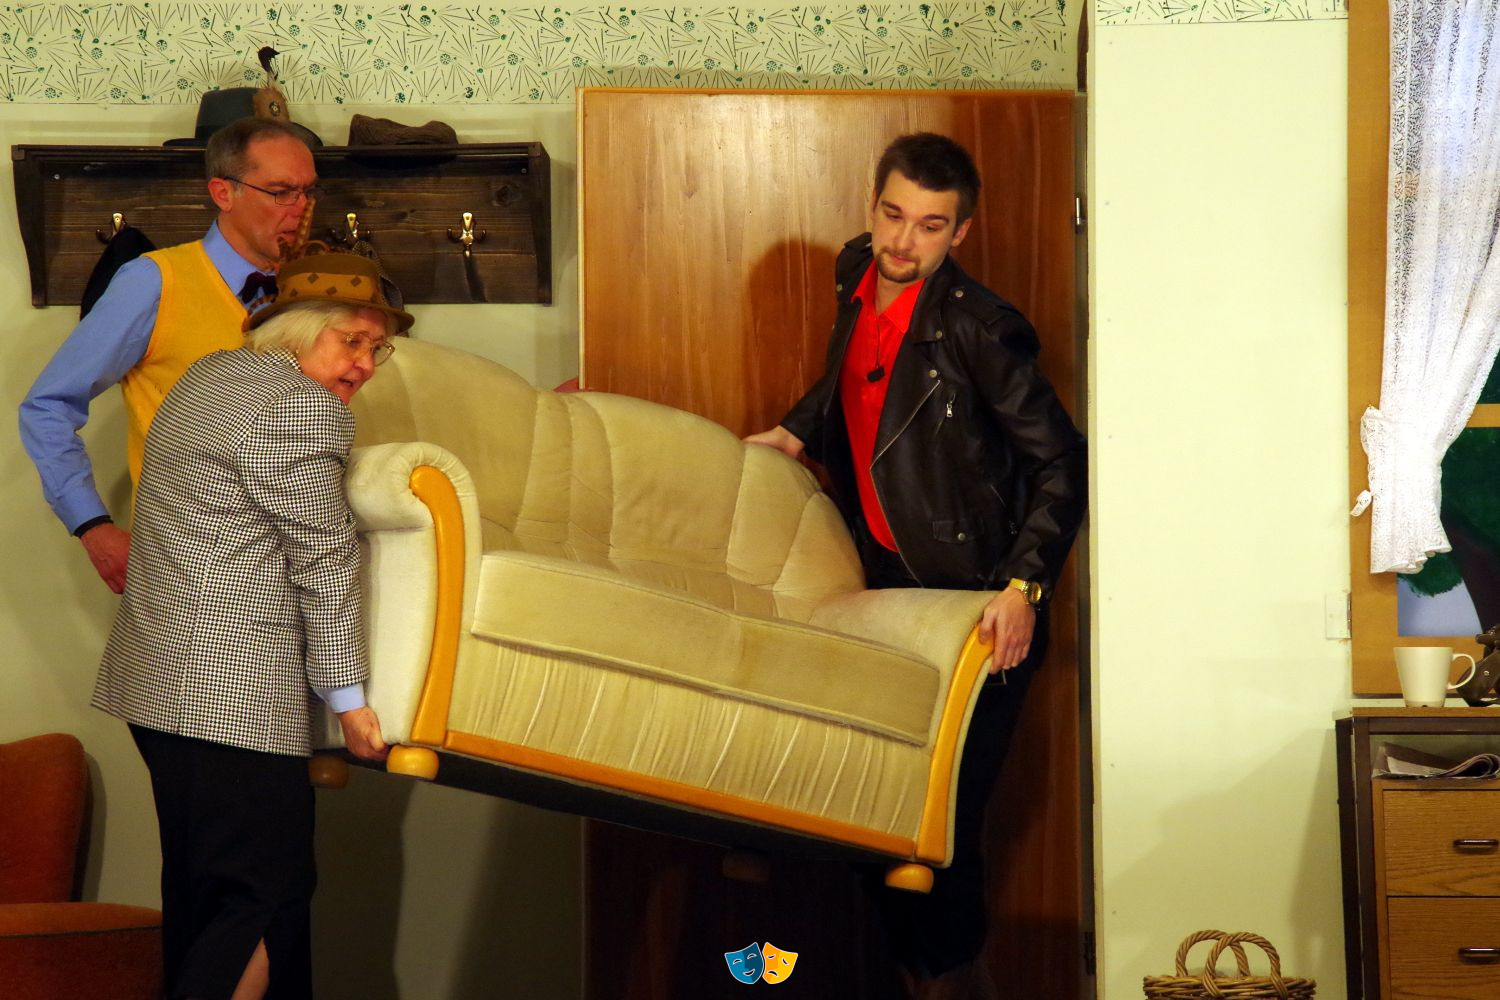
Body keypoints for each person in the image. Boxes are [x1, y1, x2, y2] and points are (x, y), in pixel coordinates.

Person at [745, 132, 1087, 993]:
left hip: (978, 609)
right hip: (888, 598)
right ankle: (922, 978)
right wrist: (794, 431)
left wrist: (1024, 588)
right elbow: (855, 377)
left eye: (930, 227)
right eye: (893, 215)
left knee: (941, 828)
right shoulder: (856, 273)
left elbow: (1062, 461)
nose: (903, 242)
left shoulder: (981, 330)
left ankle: (953, 984)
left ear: (959, 233)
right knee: (872, 811)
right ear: (873, 207)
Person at [92, 250, 413, 1000]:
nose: (365, 365)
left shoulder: (210, 376)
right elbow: (322, 558)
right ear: (298, 332)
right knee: (263, 901)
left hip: (157, 689)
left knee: (205, 900)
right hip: (232, 700)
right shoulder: (301, 407)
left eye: (378, 347)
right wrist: (348, 699)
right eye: (351, 341)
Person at [18, 117, 319, 594]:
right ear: (223, 193)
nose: (300, 208)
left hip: (307, 565)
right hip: (190, 567)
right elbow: (48, 405)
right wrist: (92, 526)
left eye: (307, 191)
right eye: (281, 192)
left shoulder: (315, 288)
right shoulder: (153, 282)